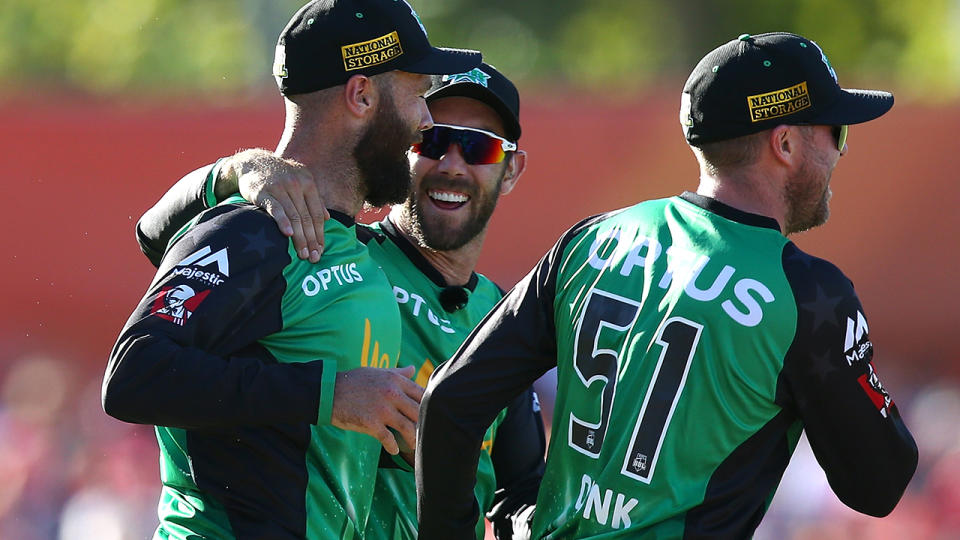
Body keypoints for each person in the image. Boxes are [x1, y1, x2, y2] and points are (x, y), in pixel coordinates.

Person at [415, 32, 919, 539]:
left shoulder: (594, 239)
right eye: (837, 132)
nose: (840, 151)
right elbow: (877, 486)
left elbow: (452, 400)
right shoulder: (808, 294)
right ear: (783, 143)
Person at [102, 0, 482, 538]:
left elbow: (153, 234)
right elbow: (132, 375)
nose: (426, 120)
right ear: (362, 94)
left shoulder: (352, 246)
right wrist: (332, 395)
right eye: (418, 93)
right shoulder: (254, 232)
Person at [136, 63, 545, 540]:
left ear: (511, 170)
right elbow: (154, 237)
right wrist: (237, 170)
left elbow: (519, 491)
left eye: (480, 147)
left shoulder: (503, 314)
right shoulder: (327, 248)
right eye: (432, 141)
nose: (452, 165)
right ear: (405, 140)